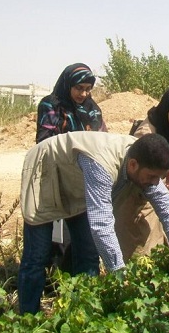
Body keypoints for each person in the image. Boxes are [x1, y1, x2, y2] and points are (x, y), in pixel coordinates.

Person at [18, 132, 169, 315]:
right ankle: (28, 317)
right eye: (152, 177)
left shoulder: (146, 161)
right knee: (37, 256)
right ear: (133, 165)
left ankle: (84, 314)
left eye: (158, 178)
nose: (155, 183)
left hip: (79, 182)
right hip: (46, 170)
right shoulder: (102, 166)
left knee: (88, 254)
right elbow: (102, 226)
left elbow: (167, 210)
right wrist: (120, 274)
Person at [36, 63, 107, 272]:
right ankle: (54, 281)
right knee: (53, 239)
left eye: (87, 88)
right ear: (67, 84)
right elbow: (44, 142)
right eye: (78, 88)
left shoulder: (93, 109)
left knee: (86, 242)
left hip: (84, 182)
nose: (83, 93)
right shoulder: (51, 106)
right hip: (56, 177)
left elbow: (102, 140)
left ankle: (83, 290)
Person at [131, 85, 169, 254]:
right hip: (142, 193)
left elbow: (167, 153)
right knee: (145, 244)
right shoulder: (146, 133)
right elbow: (141, 172)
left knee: (165, 238)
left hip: (158, 187)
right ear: (166, 109)